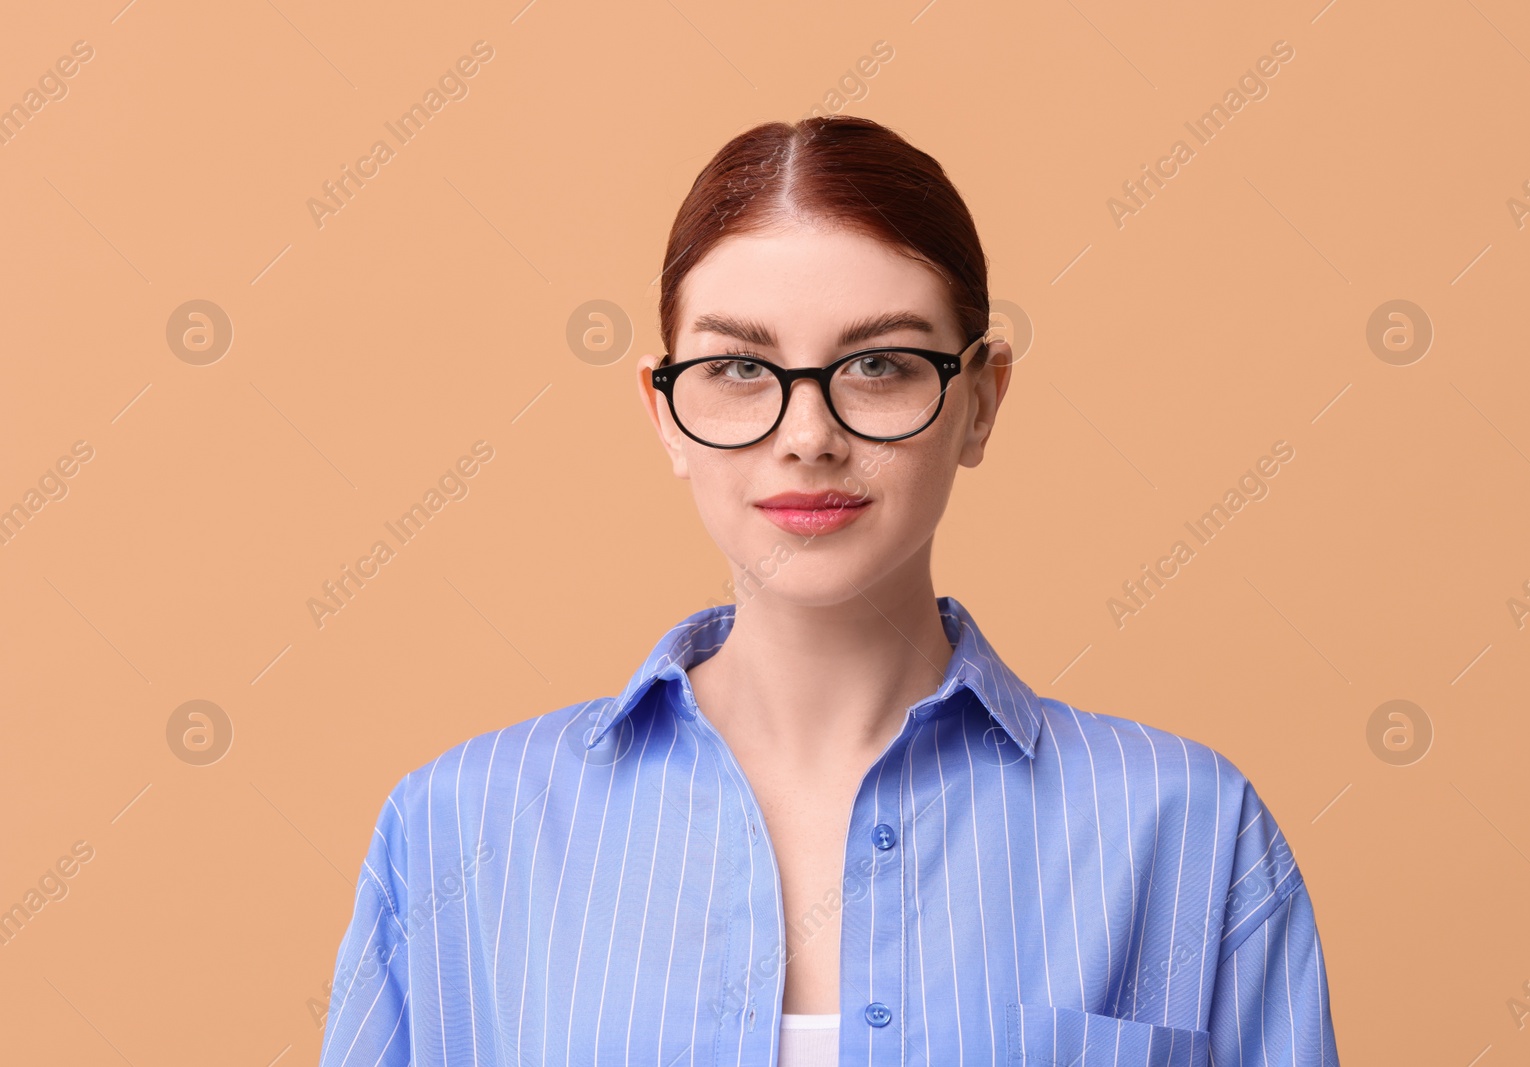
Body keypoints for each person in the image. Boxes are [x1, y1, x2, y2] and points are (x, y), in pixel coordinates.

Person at [318, 114, 1339, 1066]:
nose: (809, 436)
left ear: (979, 401)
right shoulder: (457, 829)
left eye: (880, 364)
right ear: (663, 410)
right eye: (737, 369)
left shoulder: (1188, 828)